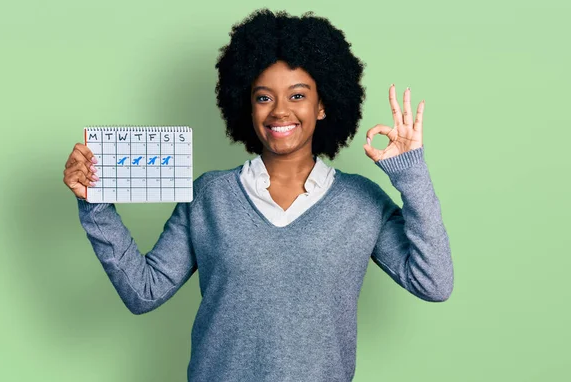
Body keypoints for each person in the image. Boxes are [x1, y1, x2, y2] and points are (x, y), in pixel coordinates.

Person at [63, 8, 453, 382]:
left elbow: (433, 283)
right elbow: (144, 292)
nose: (280, 111)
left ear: (323, 105)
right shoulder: (209, 197)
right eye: (264, 97)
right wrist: (94, 205)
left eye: (298, 95)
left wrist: (410, 172)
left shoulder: (361, 203)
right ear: (246, 107)